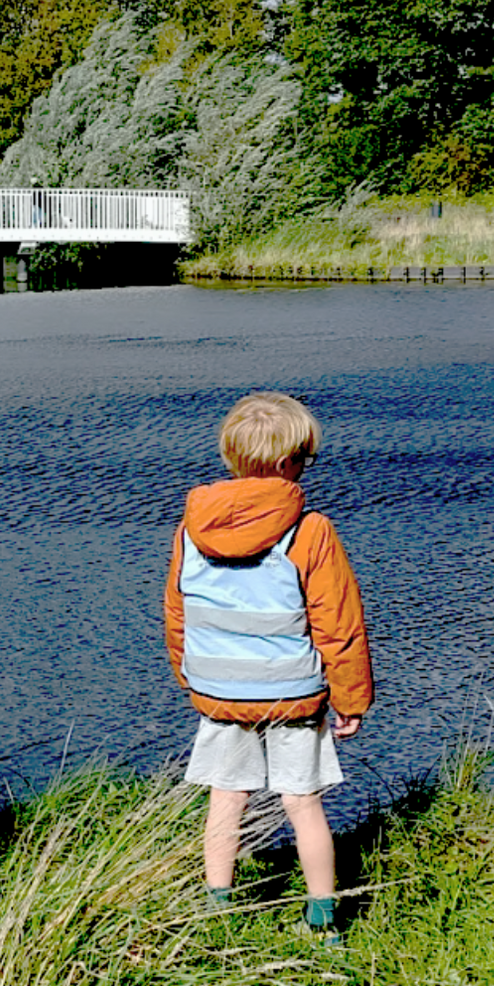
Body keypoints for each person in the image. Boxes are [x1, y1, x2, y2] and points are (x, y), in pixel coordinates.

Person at [163, 391, 373, 943]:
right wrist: (351, 699)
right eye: (306, 458)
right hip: (292, 693)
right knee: (303, 803)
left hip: (220, 691)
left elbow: (178, 611)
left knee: (226, 798)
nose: (307, 468)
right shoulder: (310, 530)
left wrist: (189, 676)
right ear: (285, 464)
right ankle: (323, 922)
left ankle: (216, 914)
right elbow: (338, 624)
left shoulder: (191, 529)